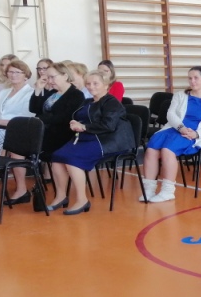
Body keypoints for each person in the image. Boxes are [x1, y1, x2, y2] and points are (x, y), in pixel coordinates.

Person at [45, 72, 135, 215]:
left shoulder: (112, 102)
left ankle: (82, 200)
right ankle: (61, 196)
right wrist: (75, 122)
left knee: (72, 160)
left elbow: (108, 125)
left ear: (106, 85)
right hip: (87, 137)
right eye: (88, 84)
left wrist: (84, 127)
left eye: (95, 83)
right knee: (57, 157)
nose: (91, 86)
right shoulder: (87, 101)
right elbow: (81, 118)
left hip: (107, 140)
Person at [140, 66, 201, 203]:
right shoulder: (180, 95)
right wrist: (181, 128)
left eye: (196, 78)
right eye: (190, 78)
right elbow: (171, 114)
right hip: (175, 129)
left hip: (193, 135)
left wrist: (197, 134)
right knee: (151, 149)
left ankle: (167, 191)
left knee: (167, 150)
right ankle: (149, 190)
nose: (192, 81)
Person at [12, 61, 85, 204]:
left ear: (65, 76)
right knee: (16, 149)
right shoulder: (52, 93)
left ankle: (60, 195)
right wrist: (38, 90)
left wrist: (38, 120)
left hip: (62, 135)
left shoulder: (76, 95)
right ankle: (21, 190)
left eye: (52, 77)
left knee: (33, 149)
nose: (49, 81)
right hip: (46, 132)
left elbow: (63, 118)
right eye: (48, 77)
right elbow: (34, 109)